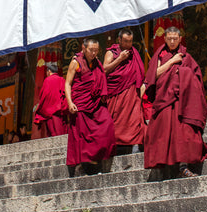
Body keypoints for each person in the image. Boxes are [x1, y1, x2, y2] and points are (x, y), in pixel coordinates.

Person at [143, 27, 207, 178]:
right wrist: (173, 62)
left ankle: (183, 166)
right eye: (169, 39)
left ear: (180, 39)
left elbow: (197, 78)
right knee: (161, 132)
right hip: (165, 99)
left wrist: (183, 74)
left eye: (175, 38)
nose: (172, 41)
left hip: (183, 101)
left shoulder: (187, 57)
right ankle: (161, 166)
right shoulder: (161, 55)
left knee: (183, 133)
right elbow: (153, 75)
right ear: (165, 39)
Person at [64, 38, 116, 175]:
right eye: (91, 50)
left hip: (96, 103)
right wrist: (70, 102)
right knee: (82, 136)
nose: (94, 53)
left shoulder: (97, 63)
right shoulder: (76, 62)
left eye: (96, 50)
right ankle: (85, 165)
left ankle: (97, 160)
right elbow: (68, 83)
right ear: (84, 48)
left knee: (107, 124)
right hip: (81, 104)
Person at [103, 29, 147, 153]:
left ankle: (135, 146)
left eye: (130, 41)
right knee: (117, 123)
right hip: (116, 96)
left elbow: (140, 74)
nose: (128, 44)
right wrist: (120, 59)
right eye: (126, 41)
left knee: (134, 121)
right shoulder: (112, 53)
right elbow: (104, 70)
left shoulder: (134, 53)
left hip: (132, 96)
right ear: (120, 40)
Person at [33, 64, 68, 139]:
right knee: (62, 132)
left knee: (53, 134)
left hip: (50, 112)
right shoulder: (62, 80)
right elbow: (66, 95)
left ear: (49, 71)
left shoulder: (47, 80)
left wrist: (40, 109)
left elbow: (43, 96)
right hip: (60, 111)